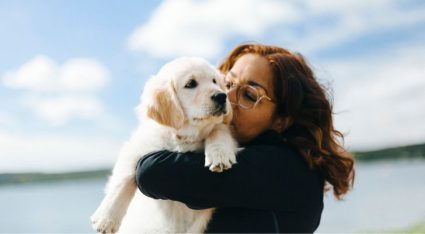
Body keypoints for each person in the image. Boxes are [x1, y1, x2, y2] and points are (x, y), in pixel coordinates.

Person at [135, 43, 355, 233]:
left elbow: (152, 172)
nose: (225, 97)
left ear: (282, 121)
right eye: (227, 83)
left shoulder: (285, 169)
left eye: (249, 95)